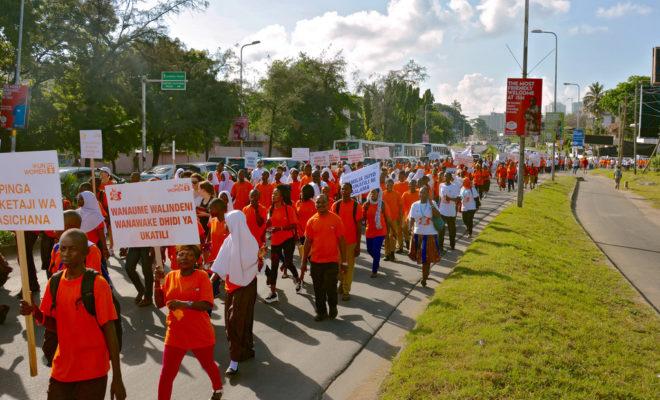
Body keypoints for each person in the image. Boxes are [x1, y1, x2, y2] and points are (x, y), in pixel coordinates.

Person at [19, 229, 126, 400]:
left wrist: (118, 378)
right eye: (62, 249)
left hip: (93, 371)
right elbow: (53, 325)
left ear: (85, 253)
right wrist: (34, 312)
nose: (66, 253)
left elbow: (110, 331)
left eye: (72, 249)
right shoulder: (54, 282)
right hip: (62, 369)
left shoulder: (98, 284)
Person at [154, 245, 223, 400]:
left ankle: (218, 389)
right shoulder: (170, 276)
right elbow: (159, 303)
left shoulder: (202, 276)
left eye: (190, 255)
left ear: (196, 259)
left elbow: (207, 304)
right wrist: (156, 282)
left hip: (199, 332)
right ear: (175, 257)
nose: (184, 257)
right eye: (181, 254)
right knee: (167, 373)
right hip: (175, 333)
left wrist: (184, 304)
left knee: (208, 365)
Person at [210, 211, 259, 376]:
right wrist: (211, 280)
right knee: (232, 323)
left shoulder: (250, 242)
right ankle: (242, 352)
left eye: (227, 222)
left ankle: (235, 360)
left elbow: (253, 264)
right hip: (232, 287)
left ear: (235, 223)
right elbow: (220, 262)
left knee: (238, 321)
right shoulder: (229, 240)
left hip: (247, 287)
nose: (224, 225)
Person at [301, 195, 347, 321]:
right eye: (318, 203)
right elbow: (307, 242)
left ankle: (333, 307)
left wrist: (344, 261)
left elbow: (342, 241)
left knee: (331, 288)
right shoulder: (311, 221)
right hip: (315, 262)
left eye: (323, 202)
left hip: (332, 261)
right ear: (315, 204)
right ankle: (321, 312)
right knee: (318, 289)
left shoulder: (336, 219)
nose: (320, 205)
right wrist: (304, 262)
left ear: (328, 203)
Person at [265, 185, 300, 303]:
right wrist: (268, 228)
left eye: (276, 194)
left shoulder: (288, 209)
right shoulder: (270, 209)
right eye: (273, 194)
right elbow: (268, 224)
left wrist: (279, 228)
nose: (273, 195)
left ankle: (297, 278)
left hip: (288, 239)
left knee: (288, 262)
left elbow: (294, 225)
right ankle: (273, 292)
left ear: (281, 196)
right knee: (274, 266)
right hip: (275, 241)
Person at [331, 182, 363, 301]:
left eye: (347, 189)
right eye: (343, 189)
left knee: (348, 267)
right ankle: (341, 282)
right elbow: (332, 224)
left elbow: (359, 227)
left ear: (351, 191)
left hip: (351, 243)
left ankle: (346, 290)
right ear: (340, 191)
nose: (344, 191)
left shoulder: (356, 206)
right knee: (338, 267)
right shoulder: (335, 206)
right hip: (338, 243)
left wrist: (358, 246)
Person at [408, 186, 441, 287]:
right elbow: (412, 218)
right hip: (418, 234)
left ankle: (424, 278)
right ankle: (425, 274)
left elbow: (438, 215)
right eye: (421, 192)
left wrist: (431, 203)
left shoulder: (432, 204)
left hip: (430, 234)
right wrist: (410, 228)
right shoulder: (415, 205)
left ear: (428, 194)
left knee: (426, 259)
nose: (422, 194)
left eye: (424, 193)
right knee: (422, 258)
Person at [363, 188, 389, 278]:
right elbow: (362, 217)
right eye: (371, 192)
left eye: (374, 192)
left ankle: (374, 270)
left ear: (379, 194)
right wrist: (364, 209)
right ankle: (376, 260)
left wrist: (391, 231)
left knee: (376, 250)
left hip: (380, 231)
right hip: (369, 230)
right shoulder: (366, 204)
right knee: (369, 250)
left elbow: (387, 218)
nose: (372, 194)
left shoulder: (382, 204)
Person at [383, 178, 403, 260]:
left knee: (393, 236)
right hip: (385, 219)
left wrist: (400, 218)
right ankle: (387, 254)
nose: (390, 186)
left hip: (394, 219)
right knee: (386, 237)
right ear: (385, 185)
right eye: (388, 185)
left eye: (391, 185)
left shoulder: (397, 194)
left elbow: (400, 207)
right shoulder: (382, 194)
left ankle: (392, 253)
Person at [439, 172, 460, 251]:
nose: (446, 178)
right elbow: (440, 198)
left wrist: (450, 199)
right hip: (442, 211)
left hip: (451, 212)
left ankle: (452, 244)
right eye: (445, 176)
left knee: (452, 230)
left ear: (451, 177)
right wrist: (438, 208)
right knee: (441, 229)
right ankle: (440, 246)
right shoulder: (441, 185)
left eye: (447, 176)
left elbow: (458, 199)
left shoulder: (455, 186)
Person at [296, 184, 317, 261]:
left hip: (310, 235)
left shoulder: (314, 204)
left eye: (302, 192)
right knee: (305, 255)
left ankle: (315, 271)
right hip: (301, 234)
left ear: (308, 193)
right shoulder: (298, 203)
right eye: (301, 191)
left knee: (311, 256)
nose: (301, 193)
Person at [401, 180, 419, 251]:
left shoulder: (419, 193)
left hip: (416, 216)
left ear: (416, 186)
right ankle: (407, 242)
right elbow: (401, 205)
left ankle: (414, 246)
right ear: (409, 186)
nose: (412, 187)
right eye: (411, 185)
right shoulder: (405, 194)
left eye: (414, 185)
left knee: (413, 231)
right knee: (404, 228)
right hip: (407, 215)